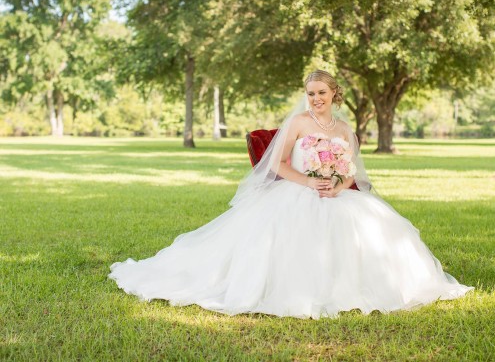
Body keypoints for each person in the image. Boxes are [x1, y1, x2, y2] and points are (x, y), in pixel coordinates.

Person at [109, 70, 473, 319]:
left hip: (337, 195)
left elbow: (351, 173)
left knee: (377, 229)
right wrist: (308, 182)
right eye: (310, 93)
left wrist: (337, 186)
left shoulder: (346, 129)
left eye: (321, 93)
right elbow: (276, 164)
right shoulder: (297, 123)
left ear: (334, 94)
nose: (315, 99)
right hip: (297, 191)